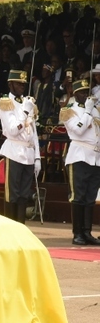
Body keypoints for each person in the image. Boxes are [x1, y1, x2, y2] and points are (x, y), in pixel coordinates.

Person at [59, 79, 100, 245]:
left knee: (90, 197)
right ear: (75, 94)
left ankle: (87, 232)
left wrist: (92, 110)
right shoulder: (69, 111)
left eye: (87, 92)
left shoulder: (95, 110)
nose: (85, 95)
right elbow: (78, 130)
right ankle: (77, 233)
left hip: (95, 158)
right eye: (82, 92)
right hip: (79, 156)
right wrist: (88, 112)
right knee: (78, 196)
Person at [0, 70, 41, 224]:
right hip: (14, 151)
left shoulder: (26, 102)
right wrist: (24, 111)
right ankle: (10, 227)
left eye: (24, 83)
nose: (22, 86)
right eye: (19, 83)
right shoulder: (6, 103)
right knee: (13, 194)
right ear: (10, 84)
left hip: (28, 153)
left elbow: (33, 131)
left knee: (24, 194)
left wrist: (37, 157)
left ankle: (21, 227)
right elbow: (13, 130)